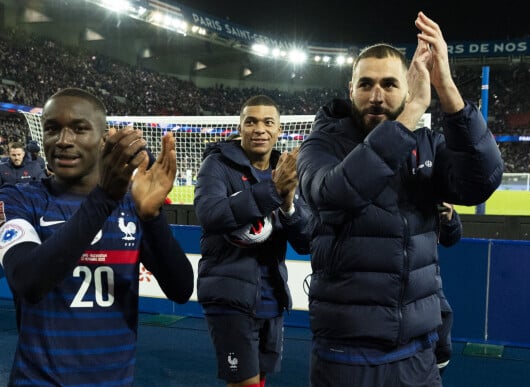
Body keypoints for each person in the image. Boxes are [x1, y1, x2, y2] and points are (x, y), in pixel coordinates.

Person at [296, 12, 503, 386]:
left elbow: (479, 183)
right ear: (351, 88)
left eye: (390, 84)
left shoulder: (427, 145)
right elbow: (334, 197)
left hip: (417, 355)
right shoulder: (321, 144)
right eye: (366, 84)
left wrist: (448, 90)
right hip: (346, 355)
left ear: (407, 87)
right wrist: (408, 116)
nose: (377, 96)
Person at [0, 88, 194, 386]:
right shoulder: (18, 200)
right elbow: (28, 282)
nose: (63, 141)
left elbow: (181, 289)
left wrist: (152, 218)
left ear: (104, 140)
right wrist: (104, 198)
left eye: (79, 129)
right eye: (52, 129)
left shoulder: (132, 205)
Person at [194, 95, 312, 387]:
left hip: (271, 295)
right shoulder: (217, 165)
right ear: (240, 127)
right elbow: (210, 214)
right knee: (244, 382)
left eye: (268, 122)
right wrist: (272, 190)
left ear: (279, 130)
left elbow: (305, 240)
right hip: (230, 294)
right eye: (251, 122)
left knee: (258, 379)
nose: (260, 128)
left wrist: (287, 205)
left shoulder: (286, 170)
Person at [435, 202, 462, 377]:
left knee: (441, 351)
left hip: (425, 287)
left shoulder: (423, 185)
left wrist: (449, 219)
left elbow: (450, 238)